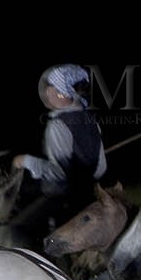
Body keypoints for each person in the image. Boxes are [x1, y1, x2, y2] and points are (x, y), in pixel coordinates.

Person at [10, 64, 109, 242]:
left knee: (16, 229)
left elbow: (59, 173)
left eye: (51, 90)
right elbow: (101, 168)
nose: (47, 94)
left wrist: (26, 161)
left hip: (62, 200)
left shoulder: (58, 125)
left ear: (62, 93)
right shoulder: (90, 120)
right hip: (87, 195)